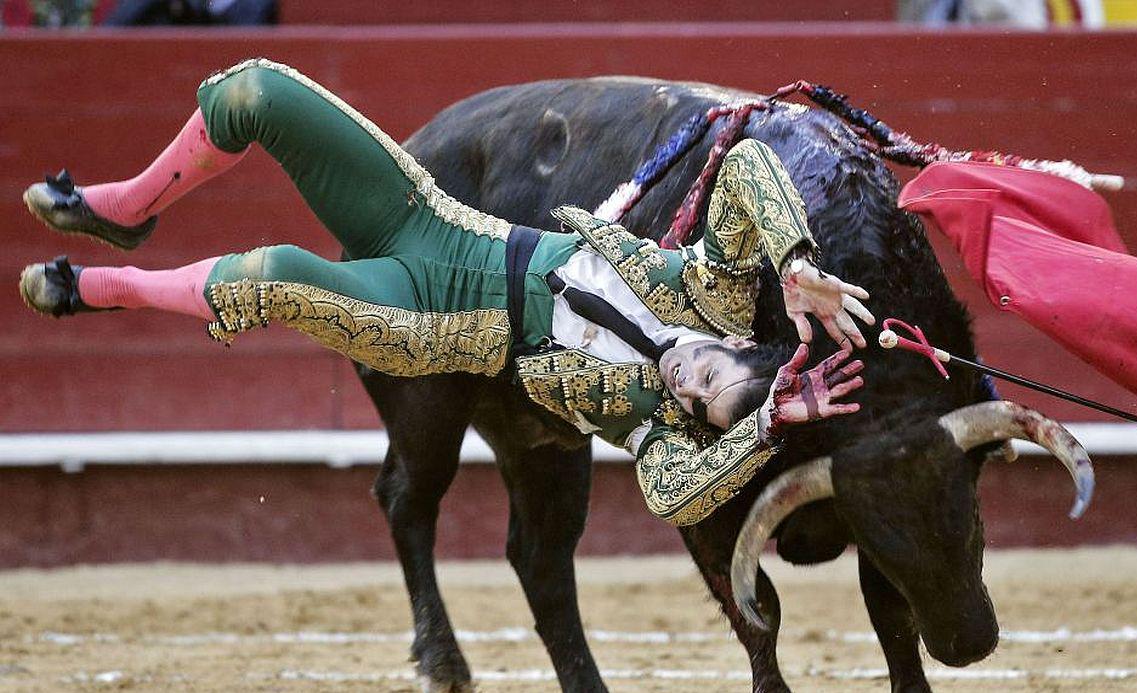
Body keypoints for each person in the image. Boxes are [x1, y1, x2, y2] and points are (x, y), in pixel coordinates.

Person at [19, 58, 872, 525]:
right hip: (442, 224)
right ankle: (125, 209)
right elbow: (752, 162)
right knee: (257, 90)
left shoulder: (652, 427)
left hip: (426, 321)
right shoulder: (712, 291)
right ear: (737, 343)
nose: (690, 386)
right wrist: (795, 259)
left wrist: (757, 427)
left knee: (270, 276)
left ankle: (100, 286)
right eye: (715, 379)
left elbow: (676, 496)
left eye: (702, 407)